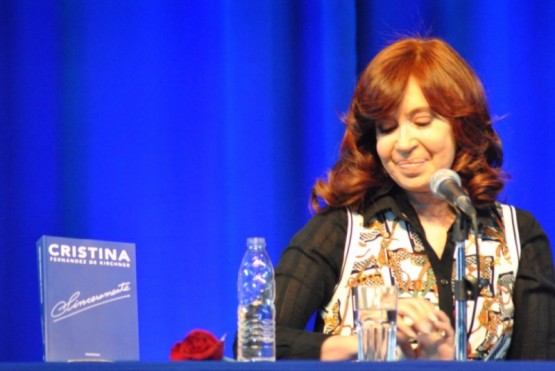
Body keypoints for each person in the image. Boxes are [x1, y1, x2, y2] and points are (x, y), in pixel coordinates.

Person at [274, 37, 555, 360]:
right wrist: (363, 346)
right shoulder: (343, 228)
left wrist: (448, 361)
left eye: (422, 122)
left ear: (460, 126)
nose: (403, 143)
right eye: (387, 128)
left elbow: (539, 362)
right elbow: (258, 341)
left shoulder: (518, 234)